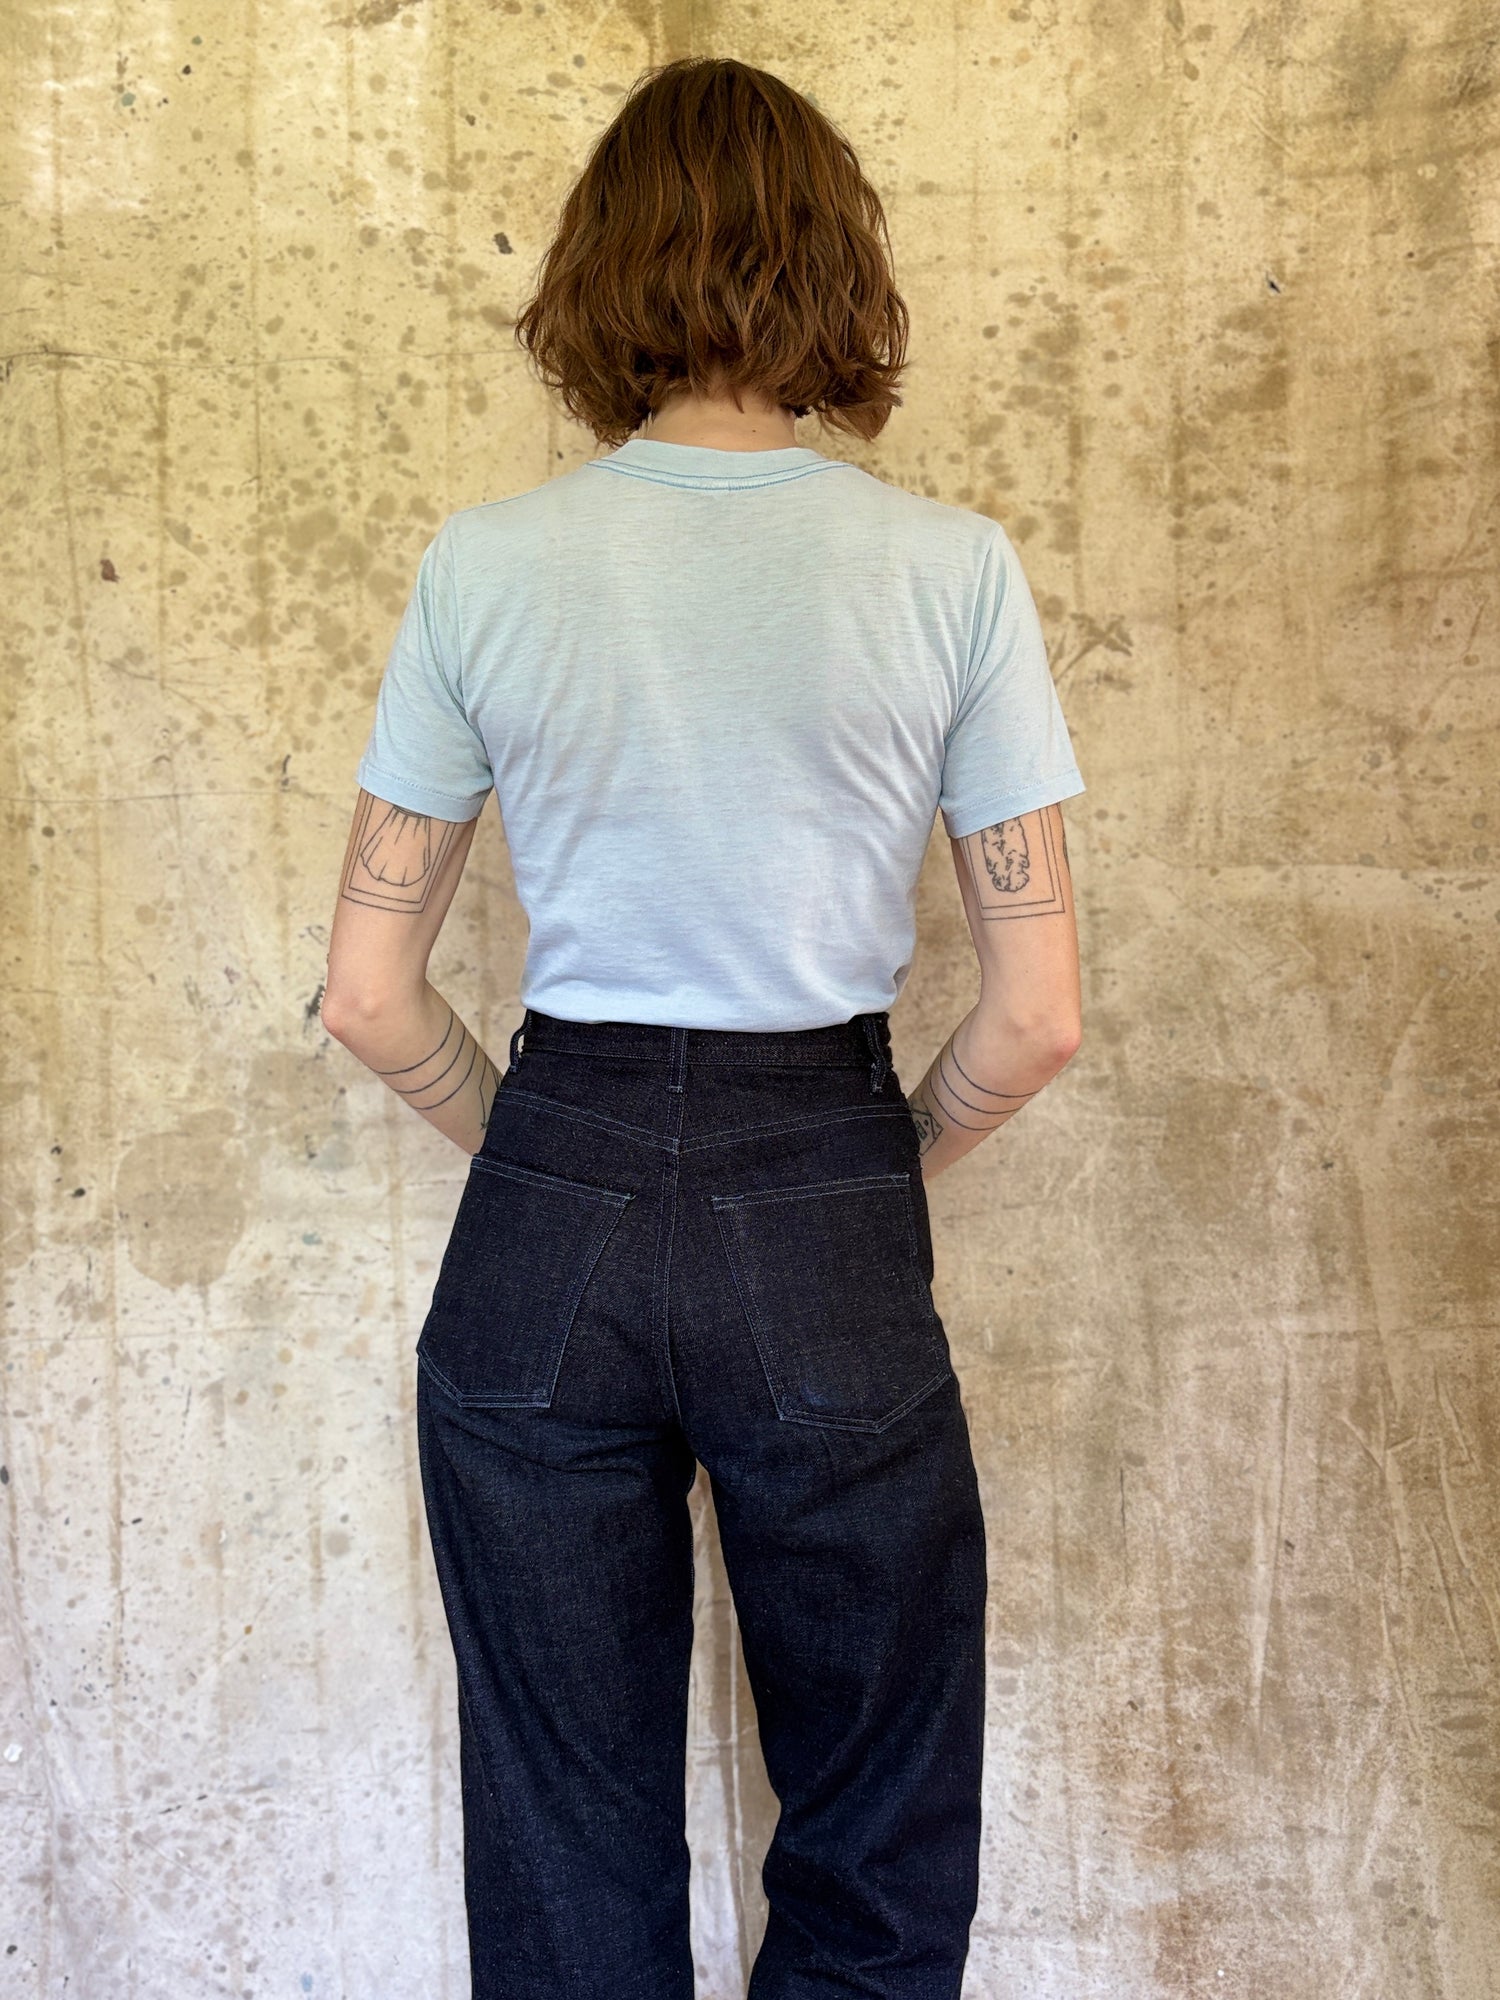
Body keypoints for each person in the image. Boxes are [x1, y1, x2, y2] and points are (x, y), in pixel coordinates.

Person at [320, 54, 1085, 2000]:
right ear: (839, 263)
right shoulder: (950, 573)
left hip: (548, 1202)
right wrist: (865, 1172)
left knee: (563, 1857)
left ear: (599, 273)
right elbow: (1036, 1018)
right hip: (823, 1195)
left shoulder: (485, 567)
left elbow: (368, 994)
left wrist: (553, 1158)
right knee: (875, 1838)